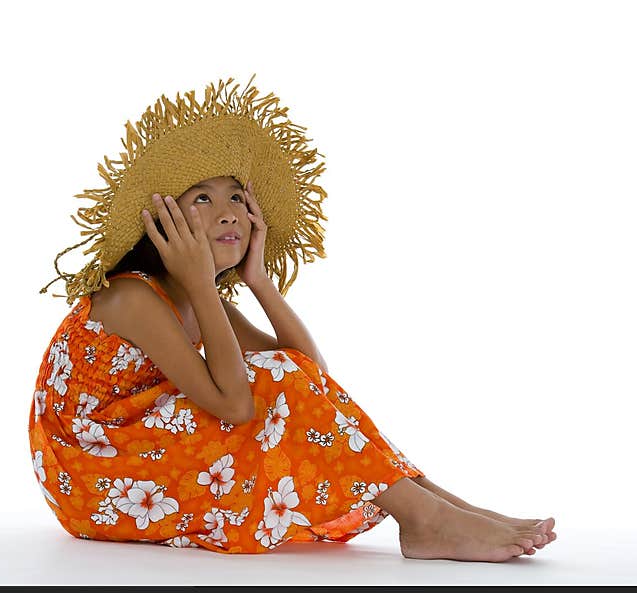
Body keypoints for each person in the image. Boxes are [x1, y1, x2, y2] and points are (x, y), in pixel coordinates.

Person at [29, 76, 556, 561]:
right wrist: (201, 284)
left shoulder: (196, 300)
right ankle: (426, 518)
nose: (229, 212)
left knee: (286, 375)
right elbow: (237, 405)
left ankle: (441, 507)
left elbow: (312, 375)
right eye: (203, 200)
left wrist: (260, 283)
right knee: (273, 383)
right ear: (162, 223)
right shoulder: (132, 298)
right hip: (92, 479)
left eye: (236, 197)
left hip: (140, 455)